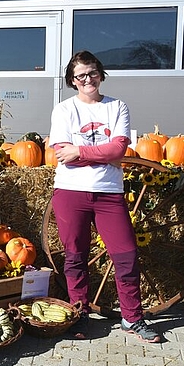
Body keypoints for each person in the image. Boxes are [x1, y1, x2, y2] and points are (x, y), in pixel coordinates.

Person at [48, 50, 162, 343]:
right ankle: (79, 313)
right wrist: (100, 155)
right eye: (81, 75)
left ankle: (132, 318)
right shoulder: (64, 110)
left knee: (126, 255)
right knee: (75, 257)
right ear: (73, 81)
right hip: (71, 193)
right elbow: (64, 155)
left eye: (93, 73)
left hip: (109, 193)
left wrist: (82, 151)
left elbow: (118, 151)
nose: (88, 79)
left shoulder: (117, 107)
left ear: (101, 74)